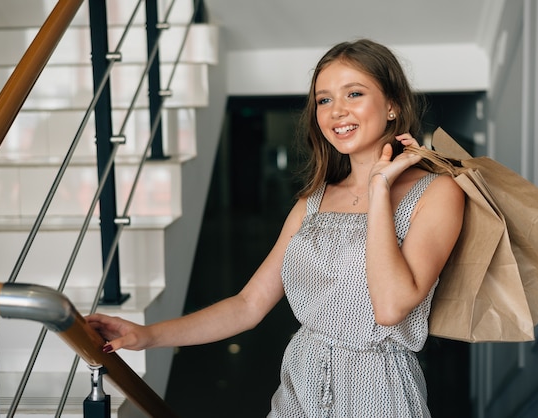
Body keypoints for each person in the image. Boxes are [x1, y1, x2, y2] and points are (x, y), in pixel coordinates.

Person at [87, 38, 465, 417]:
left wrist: (380, 189)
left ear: (393, 105)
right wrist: (145, 335)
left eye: (354, 93)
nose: (337, 112)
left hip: (378, 391)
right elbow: (247, 305)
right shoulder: (313, 202)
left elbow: (390, 307)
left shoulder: (437, 193)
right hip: (300, 385)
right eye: (324, 100)